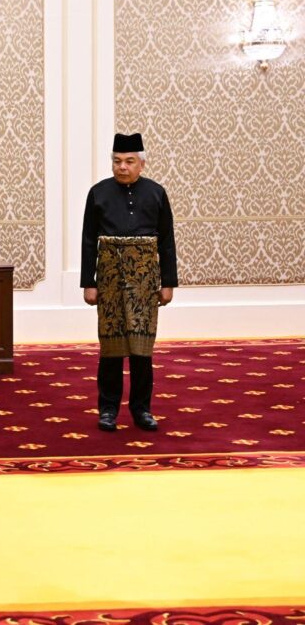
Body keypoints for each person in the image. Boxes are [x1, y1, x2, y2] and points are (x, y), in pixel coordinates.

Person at [81, 132, 177, 432]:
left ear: (142, 164)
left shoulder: (156, 193)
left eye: (129, 161)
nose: (122, 167)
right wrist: (88, 282)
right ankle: (108, 410)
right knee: (110, 347)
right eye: (117, 161)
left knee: (141, 348)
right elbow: (88, 241)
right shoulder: (98, 193)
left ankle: (141, 409)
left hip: (144, 280)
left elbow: (167, 242)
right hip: (109, 277)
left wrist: (168, 282)